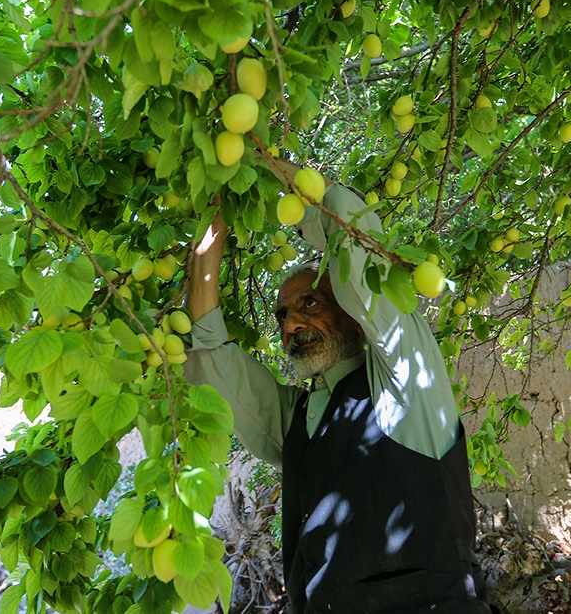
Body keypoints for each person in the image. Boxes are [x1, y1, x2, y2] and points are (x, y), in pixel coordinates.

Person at [184, 159, 492, 613]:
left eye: (310, 302)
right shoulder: (294, 418)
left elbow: (353, 244)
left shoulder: (403, 383)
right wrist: (219, 215)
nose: (291, 323)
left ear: (350, 310)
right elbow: (209, 348)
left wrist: (256, 159)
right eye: (282, 315)